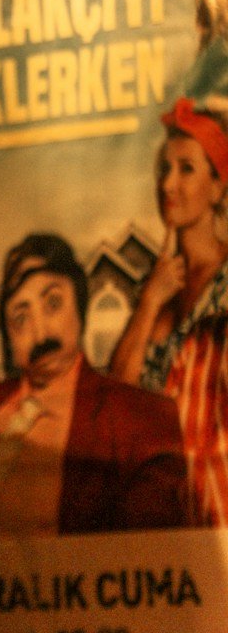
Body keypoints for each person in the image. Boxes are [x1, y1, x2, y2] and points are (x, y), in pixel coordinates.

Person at [0, 234, 188, 539]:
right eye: (20, 318)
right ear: (9, 340)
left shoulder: (142, 419)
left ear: (80, 307)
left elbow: (147, 561)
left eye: (53, 303)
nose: (41, 333)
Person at [109, 98, 228, 524]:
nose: (167, 185)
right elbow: (119, 399)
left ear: (217, 187)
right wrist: (150, 303)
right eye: (163, 169)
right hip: (161, 522)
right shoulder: (154, 287)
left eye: (186, 168)